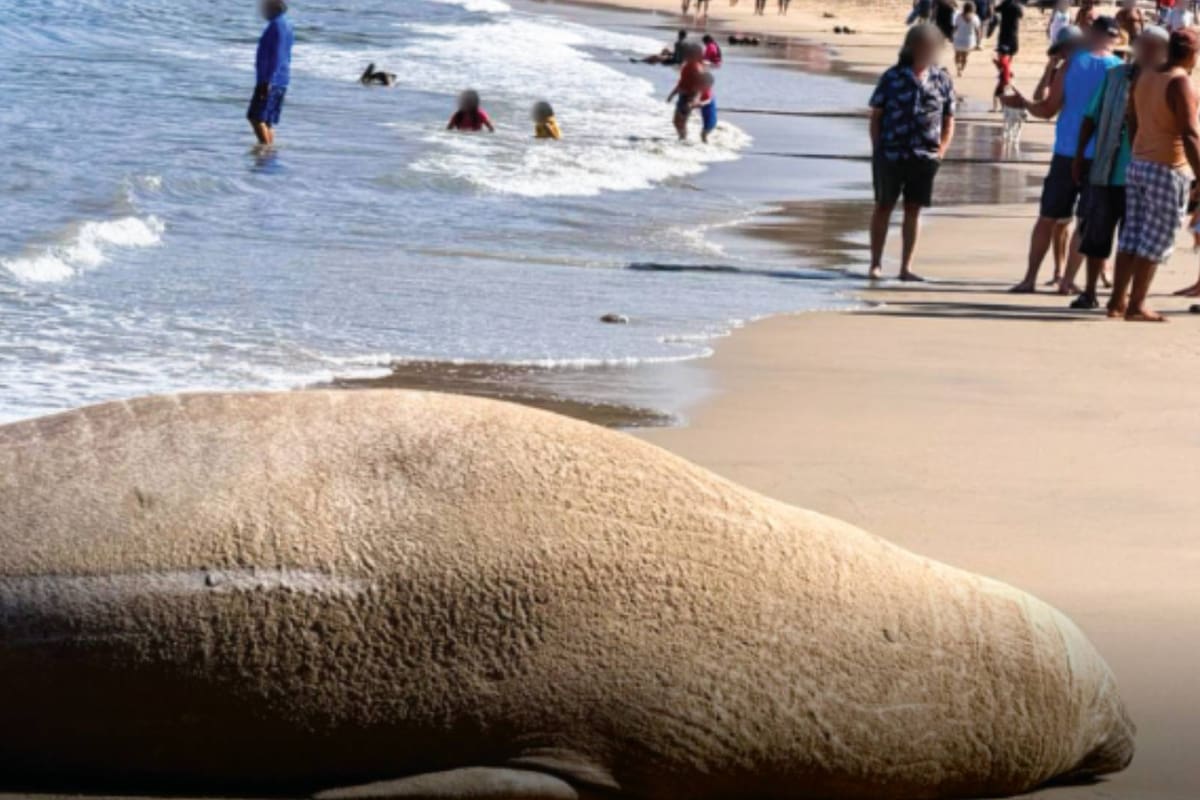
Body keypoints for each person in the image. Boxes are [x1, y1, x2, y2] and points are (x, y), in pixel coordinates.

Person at [1004, 17, 1123, 293]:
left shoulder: (1073, 63)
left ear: (1091, 33)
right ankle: (1068, 280)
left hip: (1067, 152)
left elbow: (1047, 109)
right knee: (1086, 221)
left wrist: (1023, 101)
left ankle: (1029, 279)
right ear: (1115, 39)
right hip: (1101, 156)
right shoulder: (1119, 69)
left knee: (1048, 216)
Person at [1064, 26, 1170, 309]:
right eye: (1144, 45)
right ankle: (1089, 292)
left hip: (1144, 174)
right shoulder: (1114, 76)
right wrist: (1078, 157)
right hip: (1104, 171)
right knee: (1096, 234)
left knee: (1133, 240)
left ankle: (1124, 297)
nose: (1147, 51)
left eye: (1154, 46)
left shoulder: (1165, 81)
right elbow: (1090, 117)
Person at [1109, 29, 1200, 320]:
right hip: (1167, 167)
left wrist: (1139, 151)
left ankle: (1116, 302)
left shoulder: (1145, 75)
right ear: (1190, 54)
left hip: (1138, 164)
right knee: (1156, 238)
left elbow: (1132, 119)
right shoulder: (1180, 82)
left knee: (1132, 236)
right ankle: (1136, 305)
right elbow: (1189, 133)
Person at [867, 24, 956, 281]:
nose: (928, 50)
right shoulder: (892, 77)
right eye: (923, 45)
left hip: (925, 156)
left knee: (913, 209)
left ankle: (906, 268)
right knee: (883, 206)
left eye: (932, 46)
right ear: (911, 46)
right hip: (891, 154)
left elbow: (949, 118)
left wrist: (941, 151)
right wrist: (878, 150)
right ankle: (875, 264)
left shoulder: (941, 79)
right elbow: (876, 115)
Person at [247, 0, 294, 147]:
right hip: (279, 79)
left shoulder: (276, 26)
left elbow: (277, 55)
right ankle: (268, 153)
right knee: (266, 120)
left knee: (255, 117)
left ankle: (265, 150)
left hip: (271, 80)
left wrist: (267, 81)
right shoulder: (286, 25)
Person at [667, 44, 707, 140]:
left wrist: (694, 100)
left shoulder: (697, 68)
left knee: (681, 122)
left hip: (689, 98)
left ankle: (683, 140)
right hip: (683, 97)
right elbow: (681, 82)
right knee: (677, 122)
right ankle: (682, 139)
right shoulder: (687, 66)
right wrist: (672, 94)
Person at [954, 2, 983, 75]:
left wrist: (952, 36)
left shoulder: (959, 16)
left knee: (957, 54)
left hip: (959, 38)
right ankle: (962, 69)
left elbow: (956, 27)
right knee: (965, 56)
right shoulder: (975, 17)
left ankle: (958, 67)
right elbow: (978, 31)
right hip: (969, 40)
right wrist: (978, 42)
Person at [693, 72, 718, 143]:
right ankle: (706, 145)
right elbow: (697, 98)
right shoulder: (702, 91)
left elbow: (708, 101)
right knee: (703, 134)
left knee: (703, 134)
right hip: (706, 118)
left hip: (711, 118)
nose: (699, 85)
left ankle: (707, 147)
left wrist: (701, 104)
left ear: (708, 85)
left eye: (701, 83)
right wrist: (695, 103)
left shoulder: (708, 92)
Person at [993, 44, 1015, 110]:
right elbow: (1007, 69)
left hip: (1003, 81)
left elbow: (1001, 69)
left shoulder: (1002, 60)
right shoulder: (1006, 59)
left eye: (998, 53)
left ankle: (995, 109)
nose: (997, 54)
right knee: (1001, 95)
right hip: (1006, 80)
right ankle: (1003, 108)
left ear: (1001, 53)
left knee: (996, 95)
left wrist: (996, 63)